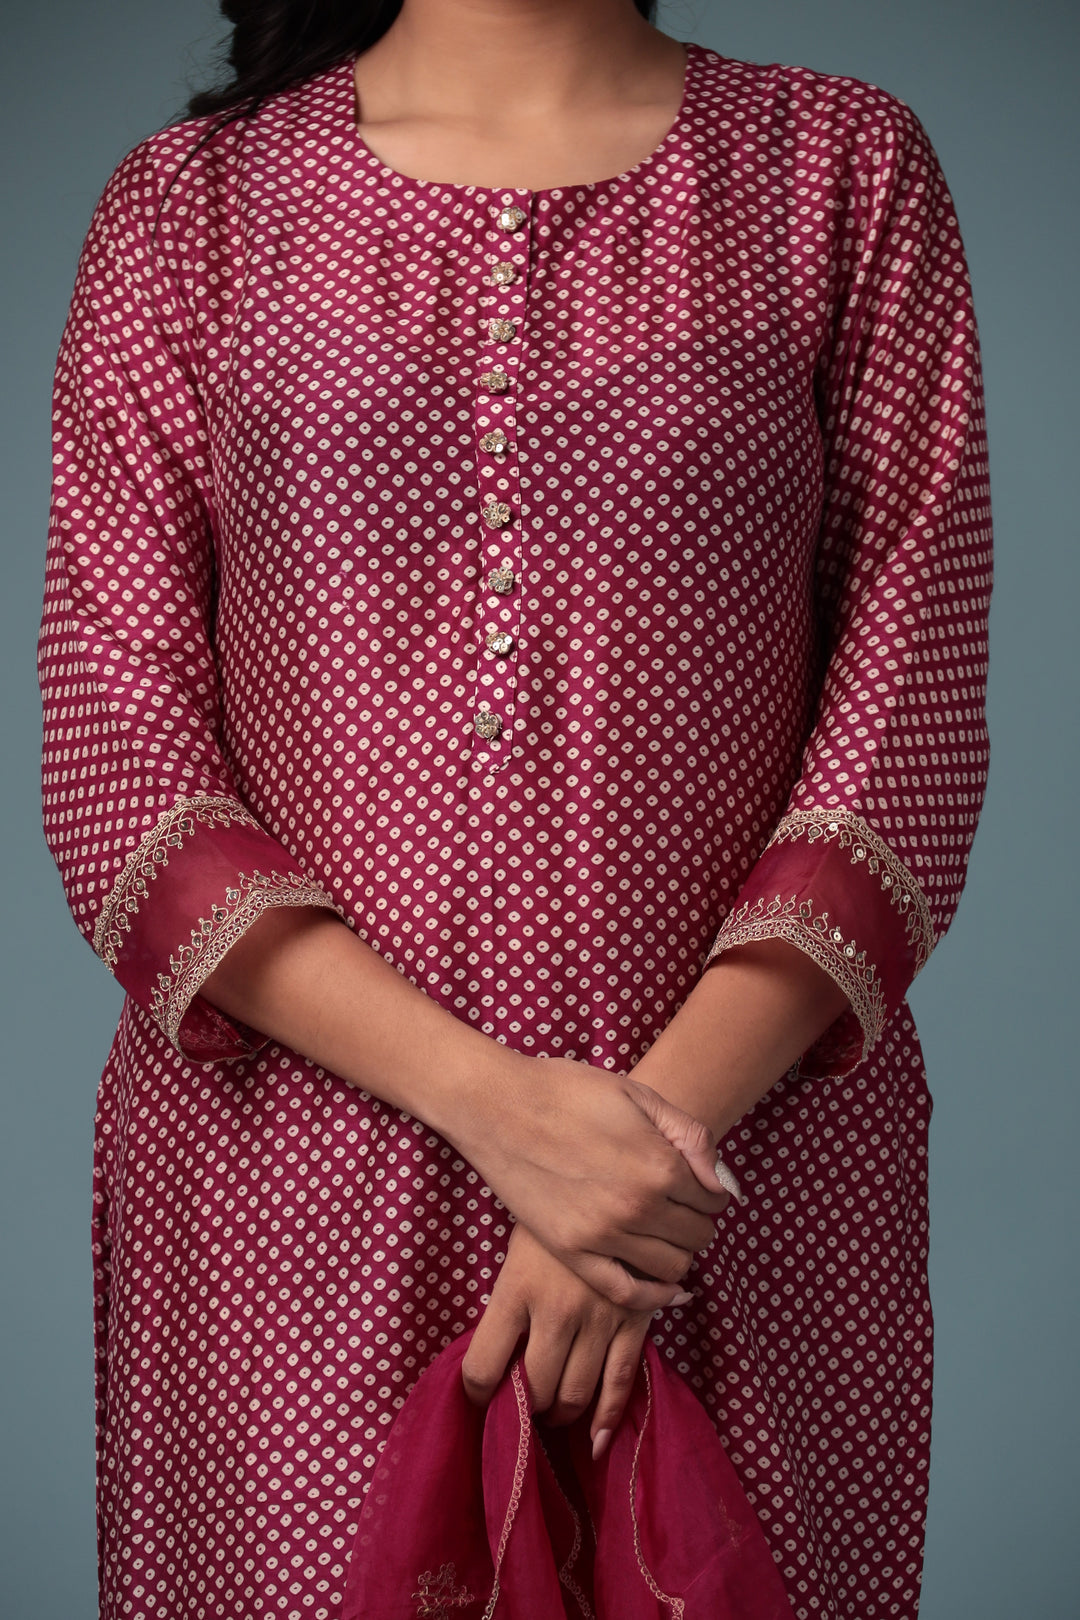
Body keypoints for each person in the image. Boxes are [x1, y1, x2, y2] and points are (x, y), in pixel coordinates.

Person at [37, 0, 992, 1615]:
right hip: (301, 1180)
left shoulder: (840, 170)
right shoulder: (190, 211)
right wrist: (510, 1118)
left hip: (731, 1174)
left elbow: (911, 703)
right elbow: (115, 743)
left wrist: (635, 1173)